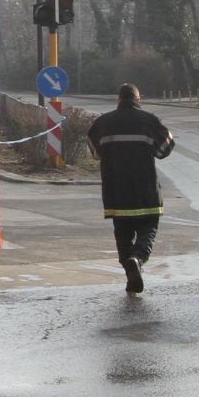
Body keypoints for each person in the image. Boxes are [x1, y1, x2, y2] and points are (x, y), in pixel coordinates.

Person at [84, 84, 175, 295]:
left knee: (122, 234)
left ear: (118, 100)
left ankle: (131, 277)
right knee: (148, 229)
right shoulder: (149, 120)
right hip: (145, 190)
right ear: (138, 99)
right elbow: (165, 148)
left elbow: (95, 153)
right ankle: (138, 258)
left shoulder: (102, 123)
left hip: (115, 191)